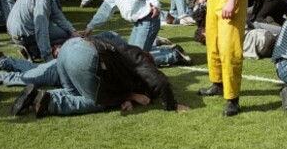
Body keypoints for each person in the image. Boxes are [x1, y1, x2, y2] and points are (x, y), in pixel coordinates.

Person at [10, 35, 189, 118]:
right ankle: (51, 103)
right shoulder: (138, 59)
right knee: (97, 102)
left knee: (72, 91)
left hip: (68, 48)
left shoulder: (122, 53)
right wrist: (172, 105)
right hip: (87, 56)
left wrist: (130, 97)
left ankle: (36, 95)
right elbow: (159, 82)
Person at [7, 0, 79, 62]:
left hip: (18, 31)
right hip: (22, 35)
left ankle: (33, 49)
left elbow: (57, 15)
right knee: (64, 35)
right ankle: (34, 50)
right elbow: (41, 29)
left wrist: (72, 31)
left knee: (68, 32)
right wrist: (48, 58)